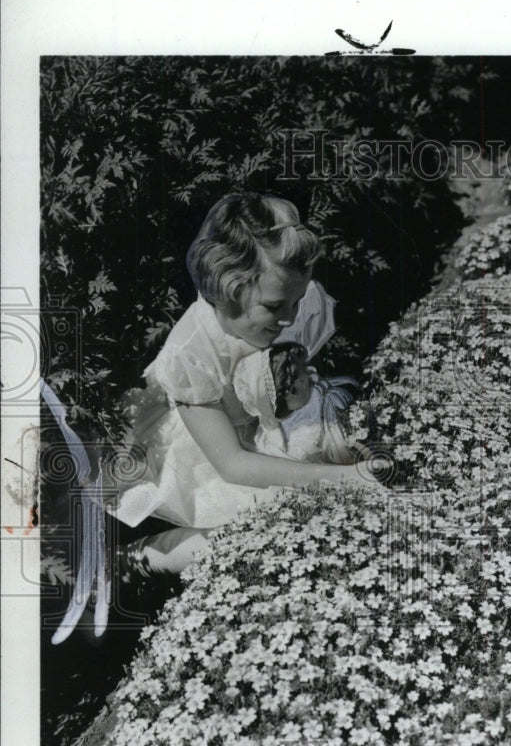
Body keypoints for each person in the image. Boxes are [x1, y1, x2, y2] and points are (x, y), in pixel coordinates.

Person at [108, 192, 380, 577]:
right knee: (248, 528)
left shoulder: (289, 304)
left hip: (264, 424)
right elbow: (233, 464)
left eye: (296, 301)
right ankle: (135, 560)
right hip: (208, 448)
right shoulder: (192, 352)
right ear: (227, 292)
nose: (289, 318)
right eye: (273, 307)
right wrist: (340, 479)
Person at [233, 341, 365, 465]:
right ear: (291, 391)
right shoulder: (274, 434)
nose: (310, 372)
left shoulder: (322, 399)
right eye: (300, 370)